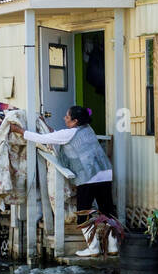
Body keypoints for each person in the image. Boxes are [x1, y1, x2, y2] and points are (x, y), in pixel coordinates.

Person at [11, 106, 117, 256]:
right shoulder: (88, 129)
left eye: (67, 117)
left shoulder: (69, 133)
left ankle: (94, 248)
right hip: (105, 173)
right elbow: (56, 135)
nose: (64, 118)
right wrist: (44, 124)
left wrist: (19, 131)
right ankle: (113, 247)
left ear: (75, 121)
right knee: (107, 211)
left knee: (83, 214)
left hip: (89, 176)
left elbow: (43, 138)